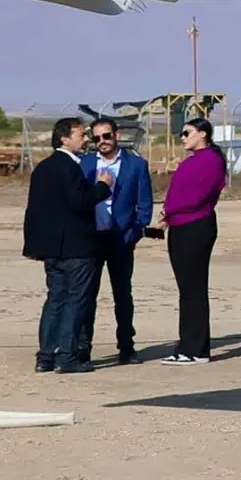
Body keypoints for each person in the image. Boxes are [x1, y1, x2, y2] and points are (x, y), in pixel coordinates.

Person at [22, 117, 113, 374]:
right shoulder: (69, 167)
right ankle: (67, 356)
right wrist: (103, 187)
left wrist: (36, 245)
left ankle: (45, 356)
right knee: (75, 301)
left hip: (52, 248)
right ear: (64, 138)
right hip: (76, 248)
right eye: (81, 134)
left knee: (55, 300)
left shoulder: (43, 168)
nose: (86, 139)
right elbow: (80, 202)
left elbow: (35, 211)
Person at [76, 117, 153, 365]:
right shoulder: (84, 165)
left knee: (123, 295)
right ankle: (82, 347)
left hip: (121, 238)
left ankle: (127, 347)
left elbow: (145, 202)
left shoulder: (136, 165)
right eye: (97, 138)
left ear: (116, 135)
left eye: (106, 136)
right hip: (91, 238)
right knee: (87, 295)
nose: (102, 142)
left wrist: (137, 230)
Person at [153, 117, 227, 365]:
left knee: (193, 289)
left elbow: (197, 196)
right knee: (187, 289)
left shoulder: (211, 161)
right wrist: (168, 215)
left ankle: (195, 349)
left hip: (196, 225)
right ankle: (188, 345)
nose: (183, 137)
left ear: (203, 134)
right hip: (181, 225)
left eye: (187, 133)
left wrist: (169, 210)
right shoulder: (194, 161)